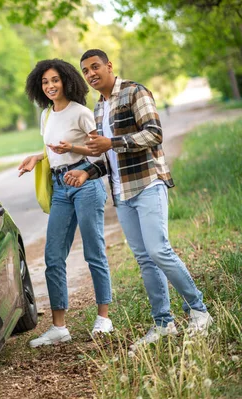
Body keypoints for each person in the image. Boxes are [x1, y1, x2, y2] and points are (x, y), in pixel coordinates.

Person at [67, 49, 212, 348]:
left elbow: (154, 134)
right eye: (86, 70)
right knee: (145, 260)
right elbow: (108, 156)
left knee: (159, 251)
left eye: (96, 67)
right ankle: (163, 323)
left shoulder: (135, 92)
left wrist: (114, 142)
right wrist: (86, 173)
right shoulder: (98, 109)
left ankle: (198, 311)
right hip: (121, 193)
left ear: (109, 66)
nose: (92, 74)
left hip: (147, 184)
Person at [17, 59, 113, 347]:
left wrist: (72, 148)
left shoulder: (82, 113)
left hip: (85, 183)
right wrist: (39, 157)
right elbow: (55, 150)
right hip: (60, 187)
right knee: (53, 256)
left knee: (93, 250)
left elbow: (99, 152)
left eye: (55, 80)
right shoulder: (46, 115)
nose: (50, 86)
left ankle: (103, 318)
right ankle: (59, 327)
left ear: (67, 81)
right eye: (45, 82)